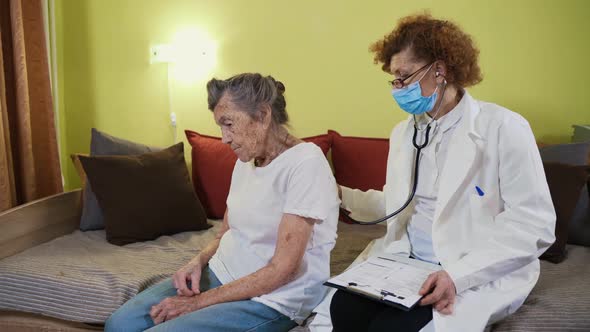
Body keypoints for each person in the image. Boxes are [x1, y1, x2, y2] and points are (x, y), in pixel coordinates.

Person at [328, 13, 556, 332]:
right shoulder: (404, 133)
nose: (397, 89)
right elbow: (398, 203)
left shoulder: (504, 127)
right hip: (405, 264)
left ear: (439, 70)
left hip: (467, 268)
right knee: (344, 309)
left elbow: (534, 224)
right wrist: (341, 196)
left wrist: (458, 276)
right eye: (393, 79)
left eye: (404, 77)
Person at [105, 73, 340, 331]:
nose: (224, 138)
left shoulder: (305, 163)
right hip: (222, 273)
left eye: (229, 124)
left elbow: (283, 270)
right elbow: (226, 233)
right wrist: (196, 262)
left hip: (272, 298)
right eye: (221, 126)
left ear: (262, 115)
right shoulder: (247, 159)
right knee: (119, 324)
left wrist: (196, 304)